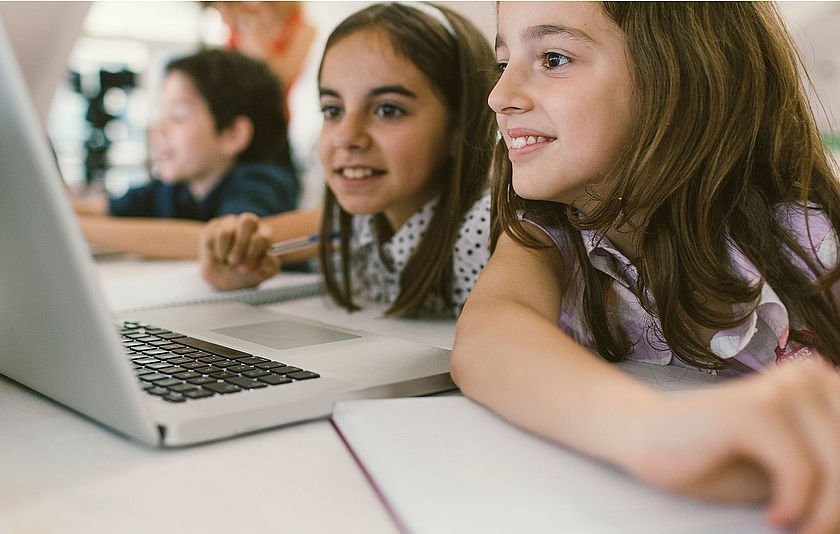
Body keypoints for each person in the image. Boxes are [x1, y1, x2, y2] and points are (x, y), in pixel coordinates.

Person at [451, 3, 840, 533]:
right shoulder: (553, 229)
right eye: (503, 63)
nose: (499, 97)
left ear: (680, 75)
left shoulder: (814, 245)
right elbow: (488, 336)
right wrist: (655, 431)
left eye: (554, 58)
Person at [200, 2, 497, 318]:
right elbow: (248, 240)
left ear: (460, 125)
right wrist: (229, 257)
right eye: (333, 110)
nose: (346, 136)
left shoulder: (489, 232)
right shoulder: (361, 223)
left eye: (387, 110)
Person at [73, 48, 299, 258]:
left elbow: (218, 242)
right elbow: (102, 209)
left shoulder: (261, 183)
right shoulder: (173, 189)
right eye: (161, 115)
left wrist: (78, 229)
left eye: (178, 115)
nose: (158, 128)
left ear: (232, 134)